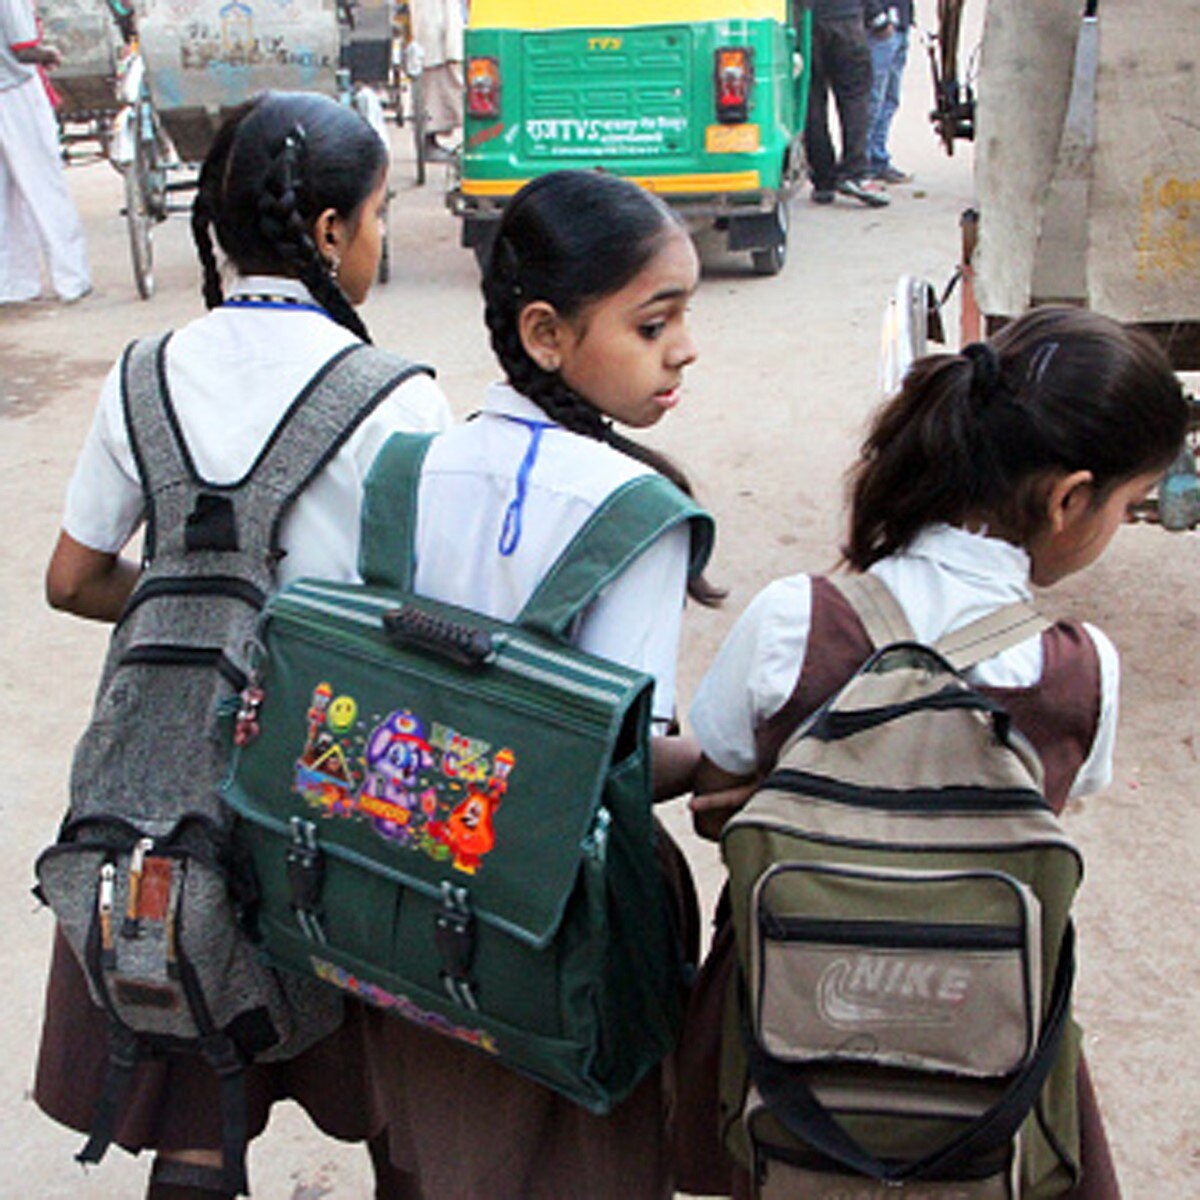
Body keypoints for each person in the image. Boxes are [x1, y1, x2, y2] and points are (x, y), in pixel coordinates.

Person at [33, 90, 451, 1199]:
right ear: (325, 234)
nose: (376, 239)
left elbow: (72, 578)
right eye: (375, 216)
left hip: (163, 798)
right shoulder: (395, 399)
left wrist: (190, 602)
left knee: (195, 1093)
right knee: (393, 1102)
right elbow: (425, 616)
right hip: (335, 795)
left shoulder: (142, 374)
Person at [675, 305, 1191, 1200]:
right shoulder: (1082, 675)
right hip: (982, 1057)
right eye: (1126, 504)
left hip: (784, 1043)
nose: (1119, 523)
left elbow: (716, 790)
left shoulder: (795, 622)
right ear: (1069, 499)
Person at [362, 168, 720, 1200]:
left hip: (402, 897)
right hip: (557, 924)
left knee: (431, 1153)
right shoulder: (633, 513)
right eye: (655, 324)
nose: (685, 347)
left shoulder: (405, 470)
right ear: (546, 334)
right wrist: (739, 755)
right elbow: (621, 764)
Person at [0, 0, 90, 303]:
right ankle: (71, 278)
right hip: (17, 93)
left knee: (5, 200)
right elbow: (22, 49)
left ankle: (13, 283)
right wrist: (50, 55)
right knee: (45, 188)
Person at [804, 0, 890, 207]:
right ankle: (855, 171)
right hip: (845, 19)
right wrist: (876, 16)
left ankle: (823, 179)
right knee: (855, 97)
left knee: (811, 100)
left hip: (805, 21)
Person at [409, 0, 465, 163]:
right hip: (436, 33)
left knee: (449, 87)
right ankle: (428, 141)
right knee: (438, 90)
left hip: (442, 30)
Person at [866, 1, 913, 183]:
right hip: (878, 27)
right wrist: (877, 17)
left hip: (899, 22)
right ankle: (862, 161)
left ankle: (877, 158)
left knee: (889, 100)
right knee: (873, 99)